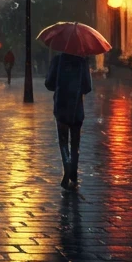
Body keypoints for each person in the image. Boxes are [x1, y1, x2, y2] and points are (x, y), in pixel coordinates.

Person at [44, 52, 93, 189]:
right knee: (75, 143)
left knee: (63, 141)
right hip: (77, 108)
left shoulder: (58, 60)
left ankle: (67, 165)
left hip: (62, 106)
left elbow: (49, 84)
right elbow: (87, 87)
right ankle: (74, 172)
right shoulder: (82, 62)